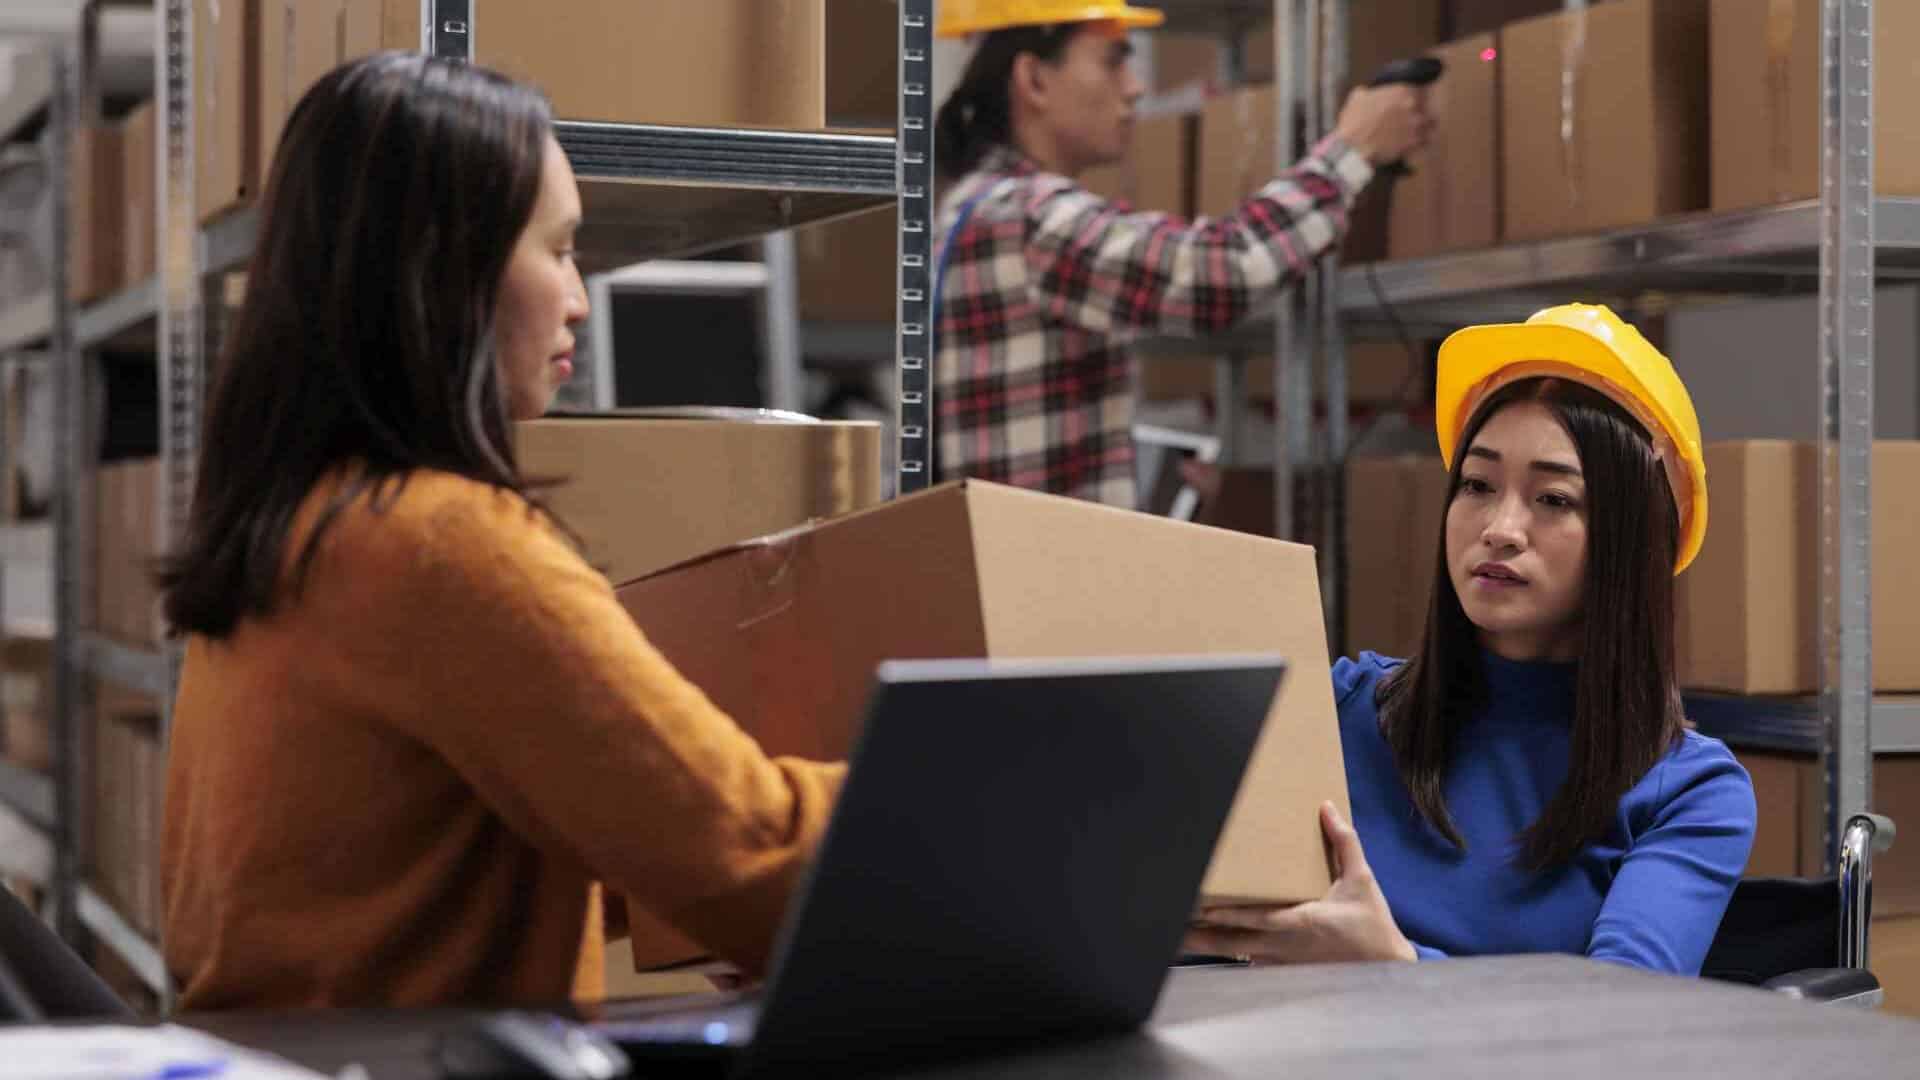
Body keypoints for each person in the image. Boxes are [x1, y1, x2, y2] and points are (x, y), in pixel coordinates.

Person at [158, 53, 845, 1009]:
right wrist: (962, 799)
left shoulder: (304, 521)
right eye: (559, 249)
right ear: (447, 268)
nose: (578, 299)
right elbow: (747, 853)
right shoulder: (441, 546)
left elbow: (414, 864)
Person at [1187, 304, 1758, 975]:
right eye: (1478, 485)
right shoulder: (1338, 710)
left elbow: (1619, 1034)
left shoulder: (1689, 793)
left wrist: (1395, 965)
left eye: (1553, 499)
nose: (1501, 526)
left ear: (1631, 541)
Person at [931, 0, 1431, 506]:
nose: (1134, 85)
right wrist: (1353, 149)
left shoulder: (977, 206)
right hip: (1032, 575)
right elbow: (1227, 270)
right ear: (1033, 78)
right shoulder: (1027, 215)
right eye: (1113, 60)